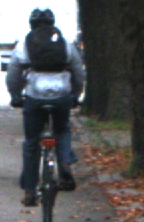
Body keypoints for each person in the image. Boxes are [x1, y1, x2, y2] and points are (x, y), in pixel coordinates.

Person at [5, 8, 85, 207]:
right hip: (61, 95)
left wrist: (15, 96)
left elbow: (13, 72)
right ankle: (64, 163)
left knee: (32, 143)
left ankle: (30, 191)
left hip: (35, 95)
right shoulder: (64, 43)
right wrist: (75, 95)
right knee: (62, 130)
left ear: (31, 24)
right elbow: (78, 71)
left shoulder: (25, 44)